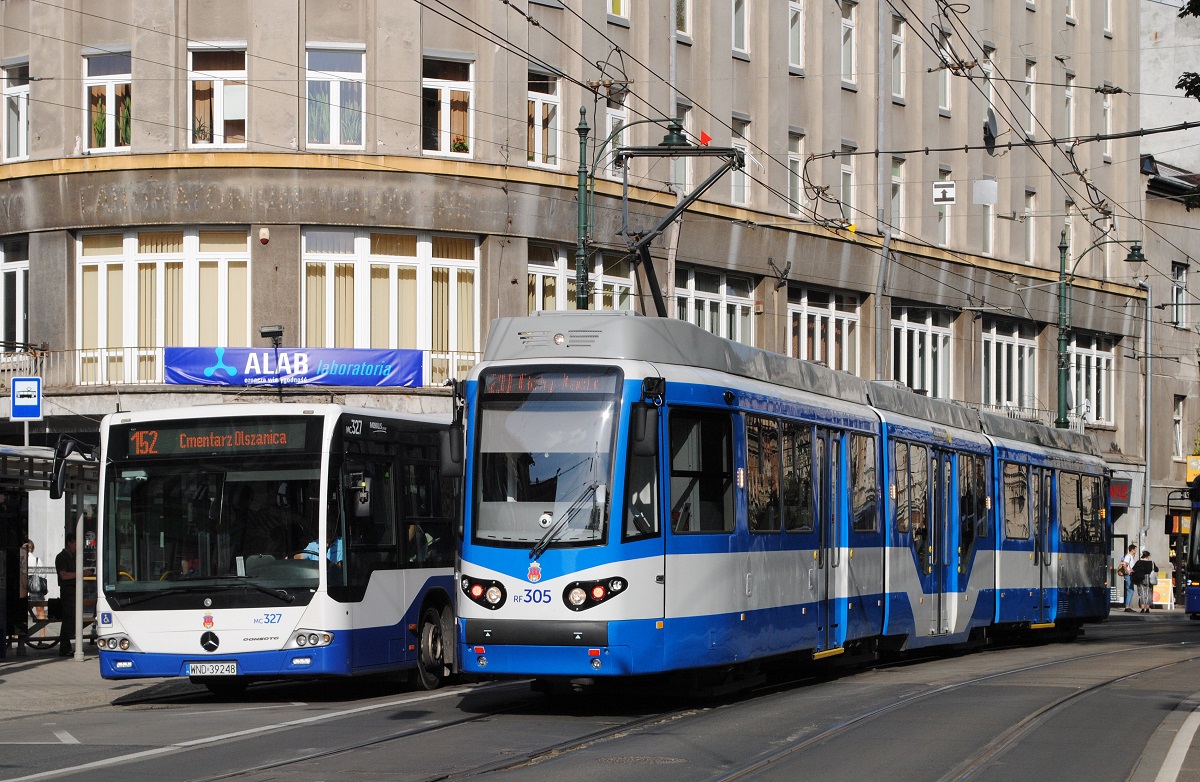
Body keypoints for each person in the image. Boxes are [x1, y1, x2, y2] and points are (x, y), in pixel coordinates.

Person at [55, 534, 80, 656]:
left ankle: (66, 644)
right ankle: (64, 646)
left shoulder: (75, 557)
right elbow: (63, 575)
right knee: (69, 618)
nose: (77, 546)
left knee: (74, 618)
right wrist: (80, 573)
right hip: (67, 590)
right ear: (69, 543)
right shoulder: (61, 557)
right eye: (75, 544)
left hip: (76, 590)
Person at [1131, 549, 1158, 614]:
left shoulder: (1139, 562)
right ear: (1148, 556)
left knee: (1142, 593)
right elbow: (1156, 569)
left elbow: (1133, 569)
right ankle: (1148, 608)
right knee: (1149, 593)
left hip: (1141, 578)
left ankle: (1143, 608)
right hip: (1150, 579)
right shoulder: (1151, 562)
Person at [1119, 544, 1138, 612]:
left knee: (1131, 590)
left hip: (1130, 575)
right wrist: (1127, 571)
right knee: (1130, 590)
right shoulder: (1128, 556)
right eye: (1135, 549)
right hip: (1128, 575)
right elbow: (1124, 565)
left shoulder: (1131, 556)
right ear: (1132, 549)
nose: (1136, 551)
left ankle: (1128, 605)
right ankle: (1127, 606)